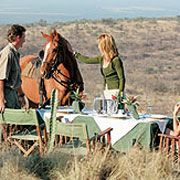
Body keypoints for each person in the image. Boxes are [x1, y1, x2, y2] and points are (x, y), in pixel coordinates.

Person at [69, 33, 126, 102]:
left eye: (99, 44)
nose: (98, 47)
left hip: (116, 91)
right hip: (107, 90)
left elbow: (122, 78)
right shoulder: (102, 59)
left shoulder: (116, 60)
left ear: (104, 46)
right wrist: (74, 53)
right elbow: (87, 60)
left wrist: (120, 92)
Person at [0, 24, 26, 113]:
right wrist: (1, 101)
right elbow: (1, 79)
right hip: (7, 95)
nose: (24, 40)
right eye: (23, 37)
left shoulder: (15, 53)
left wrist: (21, 95)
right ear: (18, 38)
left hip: (14, 94)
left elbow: (15, 79)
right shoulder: (7, 54)